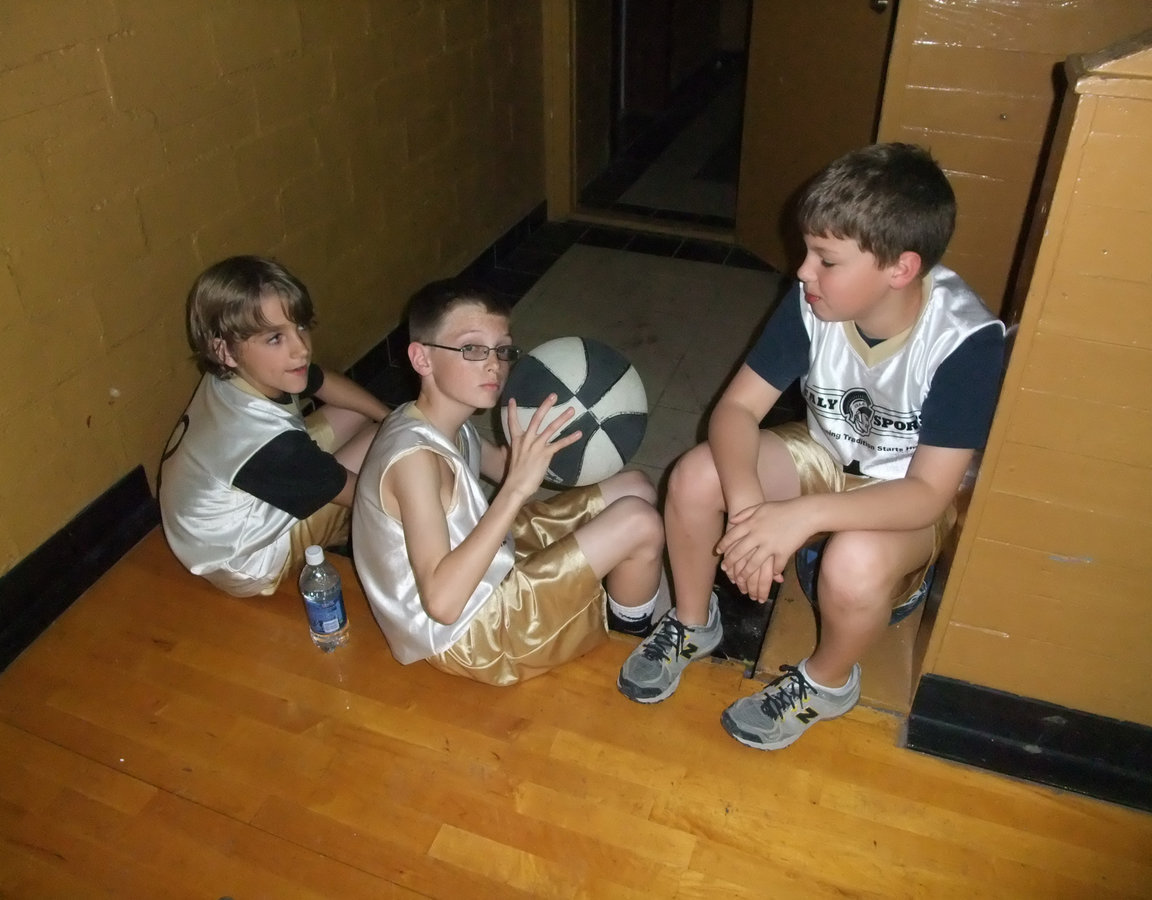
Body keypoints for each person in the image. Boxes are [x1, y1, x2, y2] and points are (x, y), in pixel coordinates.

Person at [617, 143, 1005, 749]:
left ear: (900, 269)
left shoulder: (966, 342)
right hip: (825, 455)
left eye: (826, 259)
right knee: (696, 476)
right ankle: (693, 622)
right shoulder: (813, 302)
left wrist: (800, 516)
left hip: (901, 494)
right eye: (807, 252)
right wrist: (749, 515)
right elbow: (736, 411)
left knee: (853, 562)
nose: (802, 271)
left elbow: (930, 493)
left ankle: (827, 682)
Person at [352, 280, 666, 685]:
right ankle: (631, 642)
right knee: (640, 522)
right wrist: (516, 489)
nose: (494, 365)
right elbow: (443, 605)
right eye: (472, 349)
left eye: (502, 350)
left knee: (635, 487)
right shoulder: (414, 461)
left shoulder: (434, 418)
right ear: (422, 358)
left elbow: (505, 465)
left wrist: (562, 434)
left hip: (482, 562)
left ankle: (616, 600)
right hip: (468, 634)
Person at [159, 255, 390, 597]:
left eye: (300, 327)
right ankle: (351, 541)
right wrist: (408, 447)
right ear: (225, 351)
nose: (301, 349)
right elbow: (366, 497)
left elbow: (322, 380)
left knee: (370, 420)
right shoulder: (269, 445)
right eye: (275, 338)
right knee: (385, 447)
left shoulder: (235, 371)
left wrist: (391, 417)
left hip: (215, 517)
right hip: (244, 562)